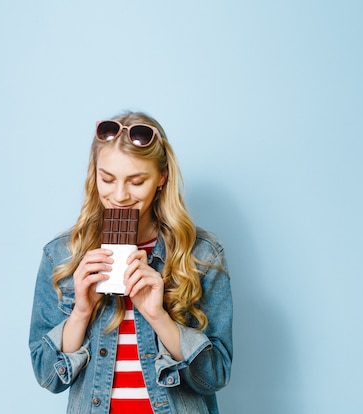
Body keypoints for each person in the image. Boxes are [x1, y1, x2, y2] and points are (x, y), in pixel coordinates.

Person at [29, 111, 233, 413]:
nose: (120, 196)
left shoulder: (201, 255)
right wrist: (82, 312)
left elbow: (214, 376)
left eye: (136, 181)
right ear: (94, 173)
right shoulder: (62, 255)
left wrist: (158, 316)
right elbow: (48, 376)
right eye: (107, 179)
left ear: (162, 177)